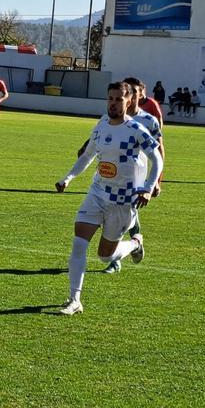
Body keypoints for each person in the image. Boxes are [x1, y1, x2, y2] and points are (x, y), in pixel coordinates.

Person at [54, 81, 162, 315]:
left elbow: (157, 159)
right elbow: (87, 156)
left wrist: (148, 187)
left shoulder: (136, 130)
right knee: (78, 242)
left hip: (122, 201)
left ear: (129, 101)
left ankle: (135, 244)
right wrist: (68, 178)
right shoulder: (102, 124)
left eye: (118, 99)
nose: (113, 104)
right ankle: (74, 299)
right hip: (97, 193)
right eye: (110, 99)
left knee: (105, 256)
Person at [76, 77, 165, 275]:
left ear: (136, 95)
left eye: (133, 91)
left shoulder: (147, 121)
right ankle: (117, 257)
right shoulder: (110, 115)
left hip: (135, 181)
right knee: (104, 219)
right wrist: (84, 148)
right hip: (109, 180)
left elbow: (159, 151)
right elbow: (99, 133)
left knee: (121, 218)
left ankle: (123, 250)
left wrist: (155, 182)